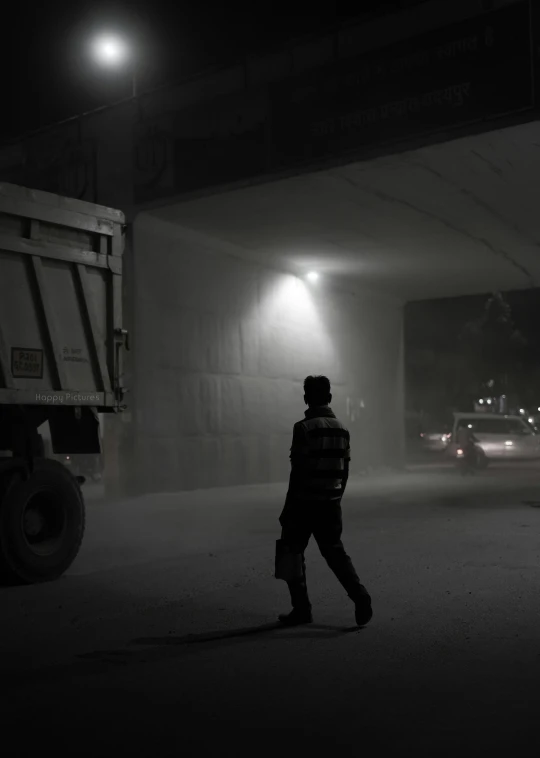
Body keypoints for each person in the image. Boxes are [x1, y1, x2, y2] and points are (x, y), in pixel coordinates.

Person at [277, 375, 373, 627]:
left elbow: (297, 472)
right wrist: (336, 498)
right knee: (335, 553)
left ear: (306, 398)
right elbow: (345, 471)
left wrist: (288, 508)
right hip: (330, 502)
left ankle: (301, 609)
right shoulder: (342, 429)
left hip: (304, 503)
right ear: (329, 397)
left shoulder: (303, 428)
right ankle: (360, 595)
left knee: (292, 552)